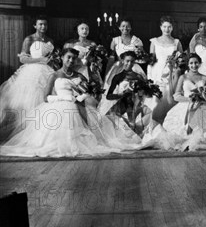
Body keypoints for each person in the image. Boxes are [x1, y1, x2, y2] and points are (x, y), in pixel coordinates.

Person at [0, 48, 141, 157]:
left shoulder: (79, 76)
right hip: (59, 107)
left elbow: (89, 92)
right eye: (68, 57)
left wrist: (80, 96)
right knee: (52, 140)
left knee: (91, 130)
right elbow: (45, 97)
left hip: (79, 106)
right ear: (62, 58)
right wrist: (64, 98)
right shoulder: (54, 75)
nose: (71, 61)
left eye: (74, 59)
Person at [0, 15, 56, 141]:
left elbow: (50, 58)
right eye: (40, 24)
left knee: (45, 99)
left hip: (46, 71)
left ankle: (40, 134)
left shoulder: (50, 40)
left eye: (45, 24)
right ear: (35, 26)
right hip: (32, 72)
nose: (43, 27)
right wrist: (40, 60)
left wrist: (52, 63)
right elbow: (23, 58)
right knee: (30, 101)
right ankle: (25, 134)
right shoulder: (29, 39)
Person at [100, 51, 154, 133]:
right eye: (127, 61)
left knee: (147, 116)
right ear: (122, 61)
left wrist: (140, 95)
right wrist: (120, 95)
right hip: (121, 104)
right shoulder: (117, 77)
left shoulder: (138, 76)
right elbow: (108, 96)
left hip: (135, 104)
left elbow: (144, 93)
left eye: (132, 61)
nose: (129, 63)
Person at [147, 15, 183, 121]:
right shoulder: (154, 42)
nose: (167, 29)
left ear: (172, 28)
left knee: (170, 97)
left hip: (171, 73)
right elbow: (151, 61)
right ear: (160, 27)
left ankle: (169, 123)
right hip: (157, 72)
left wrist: (175, 68)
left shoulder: (176, 42)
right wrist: (150, 79)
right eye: (164, 26)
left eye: (169, 27)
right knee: (157, 98)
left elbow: (181, 61)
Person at [103, 18, 145, 89]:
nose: (125, 28)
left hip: (133, 67)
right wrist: (107, 71)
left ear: (131, 27)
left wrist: (139, 55)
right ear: (119, 27)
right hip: (118, 67)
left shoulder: (136, 40)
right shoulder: (115, 41)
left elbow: (143, 56)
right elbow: (111, 58)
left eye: (127, 26)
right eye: (123, 26)